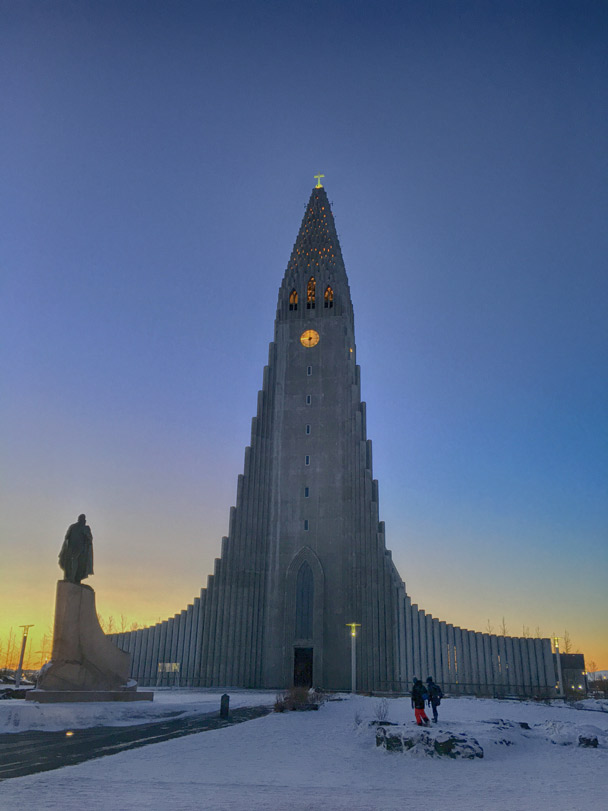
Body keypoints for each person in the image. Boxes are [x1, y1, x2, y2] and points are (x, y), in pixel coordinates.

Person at [59, 514, 94, 584]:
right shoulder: (73, 527)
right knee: (69, 563)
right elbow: (67, 537)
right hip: (72, 548)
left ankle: (75, 579)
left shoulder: (85, 528)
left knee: (78, 564)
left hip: (80, 549)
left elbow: (89, 538)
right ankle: (69, 577)